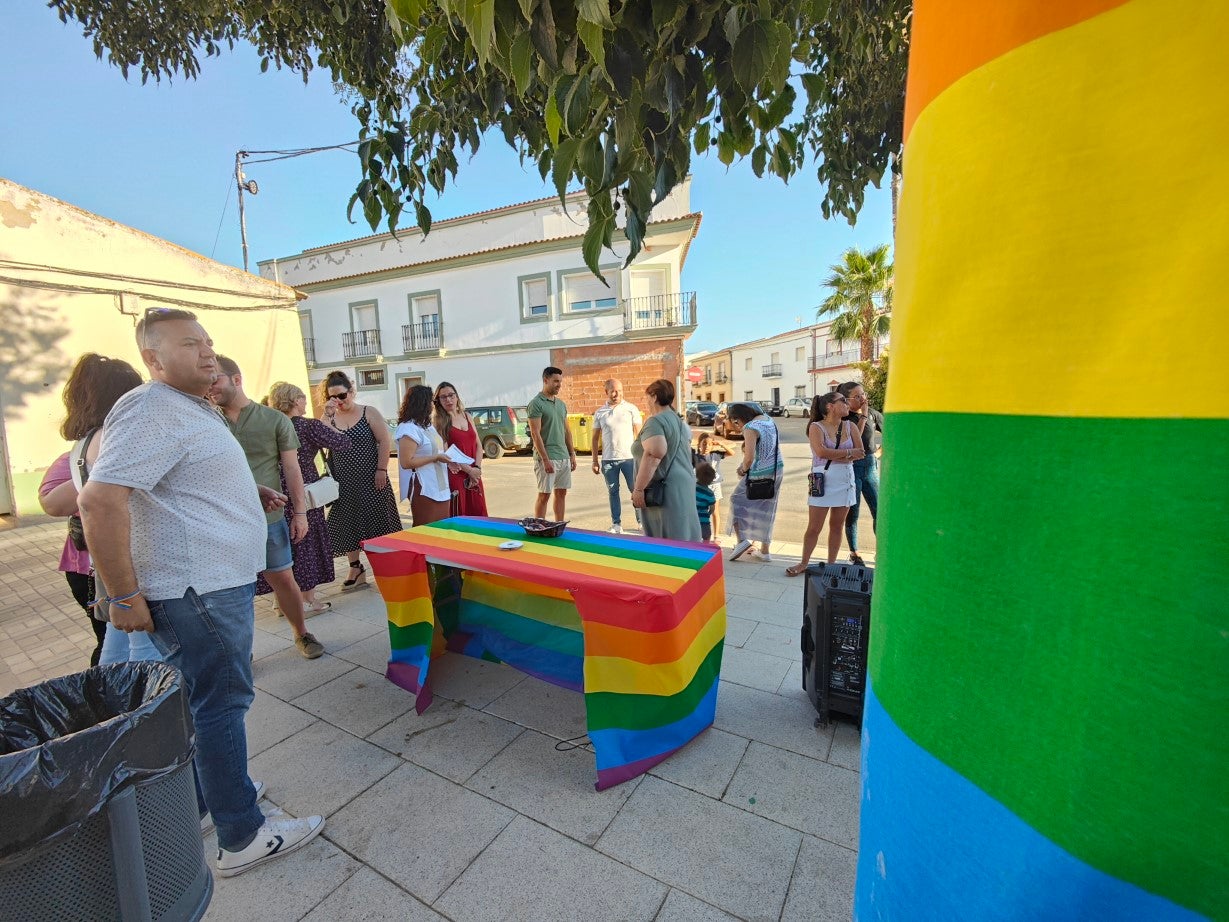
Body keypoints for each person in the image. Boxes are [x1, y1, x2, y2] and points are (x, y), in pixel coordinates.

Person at [77, 306, 324, 878]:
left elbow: (178, 481)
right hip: (199, 592)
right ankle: (242, 835)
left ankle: (208, 801)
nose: (207, 351)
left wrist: (245, 490)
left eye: (208, 341)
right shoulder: (150, 407)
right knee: (221, 707)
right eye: (190, 344)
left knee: (196, 706)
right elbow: (99, 500)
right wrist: (122, 596)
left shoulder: (188, 406)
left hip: (208, 587)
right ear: (153, 358)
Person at [211, 357, 324, 660]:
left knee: (283, 578)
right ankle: (239, 650)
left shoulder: (274, 420)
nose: (209, 386)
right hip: (220, 521)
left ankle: (301, 633)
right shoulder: (207, 420)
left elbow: (292, 469)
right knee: (231, 590)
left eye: (215, 379)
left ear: (236, 379)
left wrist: (299, 513)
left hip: (269, 518)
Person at [37, 353, 144, 666]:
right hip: (126, 566)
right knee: (142, 654)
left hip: (105, 567)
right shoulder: (111, 439)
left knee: (117, 650)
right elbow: (70, 502)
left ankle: (111, 693)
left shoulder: (85, 444)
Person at [256, 381, 352, 616]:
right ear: (295, 401)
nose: (306, 402)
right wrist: (328, 420)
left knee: (281, 544)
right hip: (303, 493)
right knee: (306, 544)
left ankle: (282, 601)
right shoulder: (307, 426)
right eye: (303, 398)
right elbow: (343, 443)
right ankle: (307, 600)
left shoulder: (268, 426)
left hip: (273, 493)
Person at [320, 370, 402, 591]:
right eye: (332, 397)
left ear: (352, 391)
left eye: (342, 395)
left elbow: (384, 441)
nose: (338, 401)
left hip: (372, 478)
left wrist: (381, 469)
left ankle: (386, 567)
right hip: (343, 481)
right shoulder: (330, 417)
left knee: (378, 521)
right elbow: (322, 438)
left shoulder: (368, 412)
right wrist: (327, 414)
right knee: (348, 523)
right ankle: (355, 568)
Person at [786, 392, 865, 576]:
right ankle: (803, 563)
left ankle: (831, 565)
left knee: (837, 526)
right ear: (830, 406)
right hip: (822, 480)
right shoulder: (816, 427)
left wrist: (838, 454)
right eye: (843, 401)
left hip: (845, 480)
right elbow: (821, 452)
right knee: (814, 527)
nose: (847, 403)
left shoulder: (851, 426)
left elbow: (861, 452)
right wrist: (848, 454)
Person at [630, 378, 702, 541]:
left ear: (654, 397)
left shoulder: (656, 421)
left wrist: (639, 489)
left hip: (665, 489)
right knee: (683, 534)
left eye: (647, 397)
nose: (647, 402)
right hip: (683, 483)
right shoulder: (678, 420)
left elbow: (654, 453)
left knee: (667, 539)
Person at [727, 402, 785, 561]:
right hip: (777, 469)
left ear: (739, 418)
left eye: (735, 422)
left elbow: (749, 458)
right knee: (768, 509)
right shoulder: (768, 420)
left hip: (759, 473)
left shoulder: (750, 427)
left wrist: (742, 470)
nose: (737, 426)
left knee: (736, 500)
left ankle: (742, 541)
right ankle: (765, 551)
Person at [837, 380, 883, 566]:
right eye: (857, 396)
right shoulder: (843, 419)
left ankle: (881, 551)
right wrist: (862, 415)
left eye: (863, 394)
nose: (863, 398)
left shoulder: (872, 414)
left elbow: (891, 432)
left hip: (870, 467)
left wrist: (878, 453)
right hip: (851, 468)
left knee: (879, 510)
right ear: (846, 400)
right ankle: (854, 553)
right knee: (852, 513)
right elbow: (849, 441)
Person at [396, 384, 453, 526]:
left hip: (441, 486)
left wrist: (450, 460)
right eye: (431, 401)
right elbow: (406, 462)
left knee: (442, 530)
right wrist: (435, 458)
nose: (433, 405)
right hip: (424, 487)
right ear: (422, 403)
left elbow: (439, 450)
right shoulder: (408, 428)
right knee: (426, 531)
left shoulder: (427, 426)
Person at [592, 378, 642, 533]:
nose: (616, 394)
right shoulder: (600, 412)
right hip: (608, 459)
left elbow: (640, 435)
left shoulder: (631, 409)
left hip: (629, 458)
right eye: (613, 391)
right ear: (606, 392)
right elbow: (594, 439)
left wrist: (642, 458)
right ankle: (616, 524)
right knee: (613, 492)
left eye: (619, 391)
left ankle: (642, 522)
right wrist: (594, 461)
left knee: (635, 490)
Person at [527, 366, 576, 521]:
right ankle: (538, 526)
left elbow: (567, 431)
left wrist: (572, 454)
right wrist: (545, 459)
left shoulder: (561, 404)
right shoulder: (536, 403)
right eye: (555, 381)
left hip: (563, 456)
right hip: (547, 457)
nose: (559, 385)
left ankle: (559, 525)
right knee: (544, 495)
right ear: (545, 380)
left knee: (561, 493)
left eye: (560, 381)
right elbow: (535, 434)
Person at [433, 381, 487, 516]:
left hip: (474, 473)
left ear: (457, 396)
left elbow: (478, 445)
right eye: (443, 397)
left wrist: (477, 469)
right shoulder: (439, 421)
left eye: (451, 395)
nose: (448, 400)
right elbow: (446, 453)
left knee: (478, 512)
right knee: (460, 513)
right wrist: (469, 471)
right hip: (457, 474)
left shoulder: (467, 416)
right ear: (438, 401)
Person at [693, 431, 732, 538]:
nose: (706, 446)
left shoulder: (715, 455)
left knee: (715, 510)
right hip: (700, 485)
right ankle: (698, 532)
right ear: (699, 444)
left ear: (712, 445)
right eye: (704, 444)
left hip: (715, 485)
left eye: (709, 444)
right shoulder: (695, 457)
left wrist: (721, 444)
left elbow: (731, 453)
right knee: (698, 509)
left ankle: (716, 535)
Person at [695, 462, 718, 543]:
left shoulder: (692, 487)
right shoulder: (710, 493)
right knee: (706, 537)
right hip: (704, 521)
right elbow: (712, 508)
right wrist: (708, 513)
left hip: (692, 519)